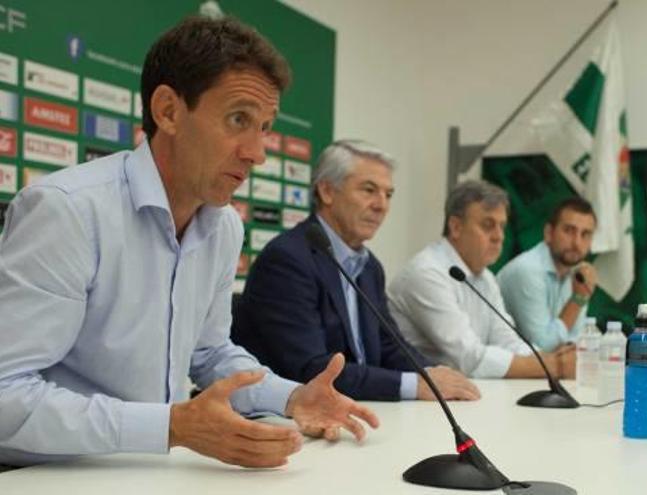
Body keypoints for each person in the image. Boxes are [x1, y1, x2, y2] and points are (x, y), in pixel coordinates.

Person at [0, 16, 378, 470]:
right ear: (168, 111)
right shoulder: (69, 211)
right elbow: (6, 392)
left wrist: (293, 397)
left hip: (148, 468)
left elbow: (210, 352)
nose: (257, 152)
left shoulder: (223, 227)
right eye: (239, 119)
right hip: (41, 475)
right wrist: (173, 427)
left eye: (264, 128)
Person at [232, 140, 479, 402]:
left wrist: (432, 374)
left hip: (357, 408)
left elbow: (388, 345)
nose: (381, 205)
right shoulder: (287, 260)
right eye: (369, 190)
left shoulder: (369, 266)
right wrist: (413, 385)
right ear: (327, 191)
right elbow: (312, 370)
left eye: (388, 194)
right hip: (288, 420)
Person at [388, 180, 576, 379]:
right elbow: (468, 358)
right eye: (488, 226)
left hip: (460, 394)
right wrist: (555, 367)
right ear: (456, 227)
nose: (499, 236)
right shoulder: (427, 273)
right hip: (415, 400)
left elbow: (508, 341)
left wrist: (548, 360)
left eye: (502, 226)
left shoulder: (485, 276)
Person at [497, 197, 597, 352]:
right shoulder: (528, 270)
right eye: (569, 231)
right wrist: (578, 299)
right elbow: (543, 346)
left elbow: (576, 341)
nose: (577, 243)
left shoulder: (577, 273)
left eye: (585, 234)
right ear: (549, 233)